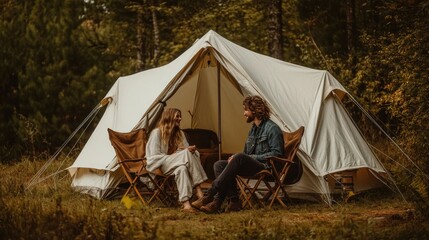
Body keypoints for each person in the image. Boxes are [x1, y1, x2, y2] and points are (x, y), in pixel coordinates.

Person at [192, 95, 284, 213]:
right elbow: (246, 154)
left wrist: (244, 157)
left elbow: (277, 154)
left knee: (239, 157)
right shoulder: (253, 129)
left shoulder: (272, 129)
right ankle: (234, 202)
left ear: (254, 110)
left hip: (267, 167)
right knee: (219, 164)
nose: (244, 113)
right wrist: (234, 158)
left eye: (246, 110)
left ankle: (212, 197)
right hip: (253, 166)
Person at [146, 108, 208, 213]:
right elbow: (154, 156)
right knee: (187, 154)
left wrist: (186, 150)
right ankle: (199, 192)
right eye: (177, 116)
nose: (180, 118)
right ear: (169, 117)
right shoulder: (156, 133)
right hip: (159, 164)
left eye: (180, 116)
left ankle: (186, 204)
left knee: (183, 167)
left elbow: (185, 151)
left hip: (174, 164)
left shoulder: (180, 133)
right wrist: (179, 154)